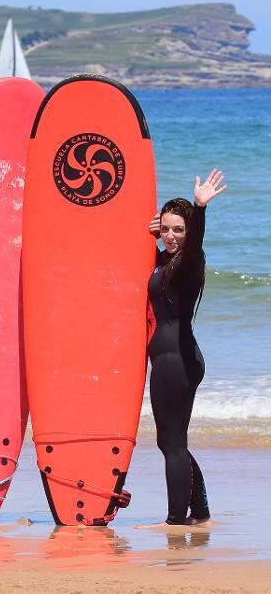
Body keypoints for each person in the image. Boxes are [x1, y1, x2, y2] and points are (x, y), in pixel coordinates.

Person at [142, 169, 226, 527]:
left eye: (179, 229)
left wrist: (199, 208)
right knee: (172, 442)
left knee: (172, 444)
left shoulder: (189, 262)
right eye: (166, 229)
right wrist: (150, 239)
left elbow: (193, 248)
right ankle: (200, 511)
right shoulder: (167, 263)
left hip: (176, 361)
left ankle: (176, 520)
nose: (171, 236)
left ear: (190, 232)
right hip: (174, 359)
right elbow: (156, 268)